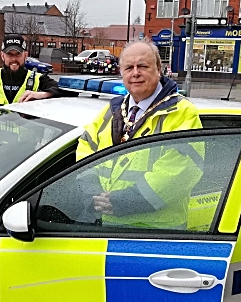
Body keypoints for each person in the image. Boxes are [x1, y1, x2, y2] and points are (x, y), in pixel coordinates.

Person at [75, 40, 203, 230]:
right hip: (109, 224)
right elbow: (86, 149)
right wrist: (92, 192)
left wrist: (121, 202)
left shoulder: (181, 112)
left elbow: (179, 171)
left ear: (159, 69)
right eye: (129, 67)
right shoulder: (113, 110)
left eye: (142, 66)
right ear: (122, 73)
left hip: (157, 231)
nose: (135, 73)